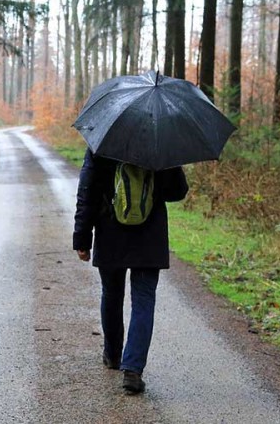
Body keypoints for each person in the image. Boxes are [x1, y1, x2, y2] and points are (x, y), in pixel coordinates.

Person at [73, 148, 189, 394]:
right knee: (143, 300)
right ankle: (133, 370)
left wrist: (82, 238)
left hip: (110, 232)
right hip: (150, 236)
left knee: (111, 294)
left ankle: (113, 355)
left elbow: (87, 192)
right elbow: (177, 192)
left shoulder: (102, 144)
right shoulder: (160, 143)